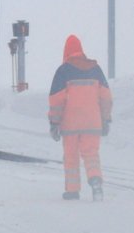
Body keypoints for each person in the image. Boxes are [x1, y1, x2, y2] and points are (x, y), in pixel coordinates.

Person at [48, 34, 113, 201]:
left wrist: (54, 122)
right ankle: (95, 180)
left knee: (71, 156)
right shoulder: (95, 69)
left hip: (70, 123)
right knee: (91, 154)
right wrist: (105, 119)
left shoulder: (63, 71)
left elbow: (56, 100)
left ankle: (72, 190)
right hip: (93, 121)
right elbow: (106, 97)